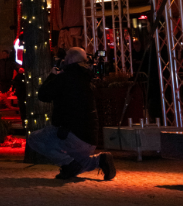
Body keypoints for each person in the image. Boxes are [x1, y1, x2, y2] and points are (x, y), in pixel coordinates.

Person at [27, 47, 117, 181]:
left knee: (34, 139)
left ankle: (68, 164)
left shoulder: (65, 78)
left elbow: (43, 95)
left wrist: (52, 75)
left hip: (70, 133)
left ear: (70, 59)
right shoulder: (88, 78)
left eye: (65, 57)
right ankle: (99, 160)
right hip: (90, 138)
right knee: (78, 160)